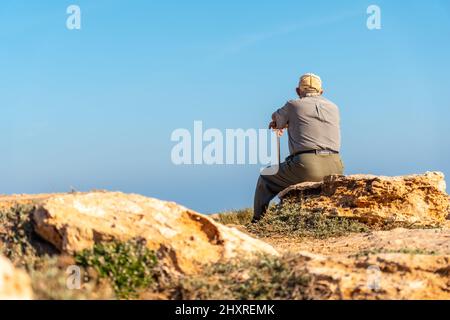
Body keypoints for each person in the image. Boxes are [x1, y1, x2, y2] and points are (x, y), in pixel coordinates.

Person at [252, 73, 344, 222]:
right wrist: (291, 123)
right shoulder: (334, 107)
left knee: (265, 177)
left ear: (298, 91)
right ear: (321, 92)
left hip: (307, 165)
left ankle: (257, 221)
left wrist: (281, 123)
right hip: (336, 166)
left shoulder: (293, 105)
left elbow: (275, 117)